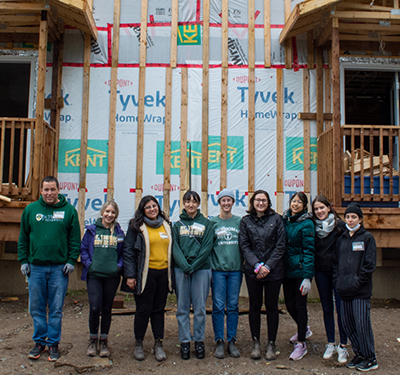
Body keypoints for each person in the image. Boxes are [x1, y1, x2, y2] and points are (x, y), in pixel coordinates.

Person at [18, 176, 80, 361]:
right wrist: (23, 260)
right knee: (36, 308)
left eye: (52, 189)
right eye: (46, 190)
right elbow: (23, 238)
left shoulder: (69, 211)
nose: (49, 193)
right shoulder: (30, 210)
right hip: (35, 268)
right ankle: (39, 342)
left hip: (59, 269)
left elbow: (74, 239)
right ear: (41, 191)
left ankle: (53, 343)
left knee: (55, 309)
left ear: (58, 190)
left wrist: (71, 260)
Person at [122, 196, 173, 362]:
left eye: (154, 206)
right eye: (148, 207)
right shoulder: (136, 227)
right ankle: (139, 343)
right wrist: (130, 275)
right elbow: (128, 251)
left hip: (163, 275)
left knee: (158, 310)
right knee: (143, 310)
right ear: (142, 210)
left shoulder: (167, 225)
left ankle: (158, 343)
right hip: (144, 275)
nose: (152, 209)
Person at [239, 189, 286, 361]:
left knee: (272, 307)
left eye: (264, 200)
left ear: (268, 203)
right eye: (258, 200)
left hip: (274, 272)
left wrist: (268, 266)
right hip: (254, 272)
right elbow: (244, 246)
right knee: (254, 306)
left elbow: (281, 245)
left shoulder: (277, 219)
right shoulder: (245, 221)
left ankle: (271, 343)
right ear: (252, 202)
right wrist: (257, 265)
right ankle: (256, 342)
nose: (260, 203)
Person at [333, 203, 378, 372]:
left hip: (360, 290)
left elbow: (369, 265)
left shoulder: (367, 238)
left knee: (362, 323)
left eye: (354, 217)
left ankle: (370, 357)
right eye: (348, 217)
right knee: (348, 323)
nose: (350, 220)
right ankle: (359, 353)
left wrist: (358, 282)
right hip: (344, 289)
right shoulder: (342, 239)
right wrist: (338, 281)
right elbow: (336, 263)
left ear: (360, 219)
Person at [80, 201, 124, 357]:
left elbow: (123, 254)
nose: (109, 215)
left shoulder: (119, 233)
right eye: (107, 211)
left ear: (116, 215)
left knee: (106, 309)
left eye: (113, 212)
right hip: (94, 276)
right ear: (102, 212)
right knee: (94, 308)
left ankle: (104, 341)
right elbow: (84, 249)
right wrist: (89, 265)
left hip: (111, 277)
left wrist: (118, 267)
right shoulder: (91, 231)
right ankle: (93, 340)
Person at [173, 190, 213, 360]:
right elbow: (174, 247)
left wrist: (194, 266)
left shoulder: (206, 223)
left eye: (194, 201)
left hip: (201, 269)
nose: (191, 204)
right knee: (182, 307)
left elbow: (207, 247)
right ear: (183, 203)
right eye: (187, 201)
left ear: (198, 204)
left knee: (199, 308)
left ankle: (199, 341)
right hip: (181, 270)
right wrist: (184, 265)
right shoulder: (177, 225)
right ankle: (184, 342)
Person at [311, 196, 348, 363]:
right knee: (326, 308)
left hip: (338, 273)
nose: (319, 211)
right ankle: (331, 343)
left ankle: (343, 345)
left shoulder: (339, 226)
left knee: (341, 309)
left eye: (322, 208)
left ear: (329, 207)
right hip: (321, 272)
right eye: (316, 209)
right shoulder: (312, 226)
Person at [282, 192, 315, 361]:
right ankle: (304, 328)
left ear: (304, 205)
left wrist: (308, 277)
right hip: (286, 270)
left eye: (299, 202)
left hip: (301, 271)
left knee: (300, 305)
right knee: (289, 304)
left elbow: (309, 251)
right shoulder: (285, 220)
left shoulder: (307, 224)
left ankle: (301, 343)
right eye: (293, 201)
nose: (295, 204)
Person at [211, 188, 242, 359]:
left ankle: (231, 340)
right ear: (219, 203)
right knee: (217, 306)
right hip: (218, 271)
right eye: (223, 200)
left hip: (236, 271)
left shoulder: (239, 222)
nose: (226, 203)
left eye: (229, 200)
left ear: (233, 202)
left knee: (232, 306)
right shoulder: (213, 223)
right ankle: (219, 341)